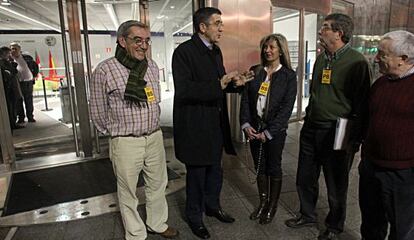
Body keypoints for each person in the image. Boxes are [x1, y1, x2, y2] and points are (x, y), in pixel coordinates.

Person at [284, 13, 371, 240]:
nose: (321, 31)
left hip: (338, 130)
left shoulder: (357, 62)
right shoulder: (323, 58)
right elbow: (315, 92)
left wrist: (355, 139)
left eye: (325, 27)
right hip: (312, 127)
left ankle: (334, 226)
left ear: (338, 33)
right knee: (305, 175)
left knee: (336, 181)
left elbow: (362, 104)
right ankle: (307, 214)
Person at [89, 20, 178, 240]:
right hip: (126, 141)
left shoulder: (152, 66)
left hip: (154, 136)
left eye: (146, 40)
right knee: (128, 191)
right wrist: (116, 133)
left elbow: (153, 102)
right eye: (137, 40)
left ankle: (157, 223)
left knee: (158, 184)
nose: (143, 45)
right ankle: (136, 234)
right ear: (122, 41)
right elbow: (98, 110)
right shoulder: (105, 70)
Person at [172, 7, 248, 240]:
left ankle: (212, 207)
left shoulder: (216, 52)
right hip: (195, 126)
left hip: (215, 124)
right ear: (202, 27)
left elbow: (220, 84)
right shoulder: (183, 52)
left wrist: (237, 83)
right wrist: (219, 85)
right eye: (217, 24)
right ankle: (195, 218)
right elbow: (184, 90)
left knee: (216, 171)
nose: (221, 28)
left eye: (221, 23)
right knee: (196, 175)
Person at [359, 30, 414, 240]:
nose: (376, 58)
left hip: (403, 175)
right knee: (371, 225)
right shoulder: (381, 83)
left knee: (402, 231)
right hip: (371, 168)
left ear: (403, 59)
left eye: (382, 54)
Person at [240, 33, 297, 225]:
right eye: (265, 47)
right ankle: (263, 202)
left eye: (272, 47)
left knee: (273, 167)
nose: (268, 50)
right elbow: (246, 100)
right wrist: (246, 124)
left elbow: (287, 108)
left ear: (281, 49)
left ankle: (272, 205)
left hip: (275, 132)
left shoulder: (289, 76)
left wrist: (269, 132)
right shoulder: (255, 71)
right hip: (254, 129)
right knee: (259, 167)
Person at [10, 42, 38, 123]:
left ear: (19, 49)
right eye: (12, 49)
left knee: (29, 100)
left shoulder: (27, 57)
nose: (14, 50)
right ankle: (21, 118)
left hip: (28, 82)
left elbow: (35, 66)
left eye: (15, 48)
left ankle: (30, 117)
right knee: (19, 101)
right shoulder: (10, 60)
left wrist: (35, 75)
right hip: (18, 83)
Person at [0, 46, 23, 130]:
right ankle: (12, 124)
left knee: (13, 107)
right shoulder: (3, 63)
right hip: (9, 89)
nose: (10, 55)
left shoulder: (6, 62)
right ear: (4, 54)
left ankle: (13, 122)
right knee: (11, 107)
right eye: (8, 53)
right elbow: (11, 73)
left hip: (11, 88)